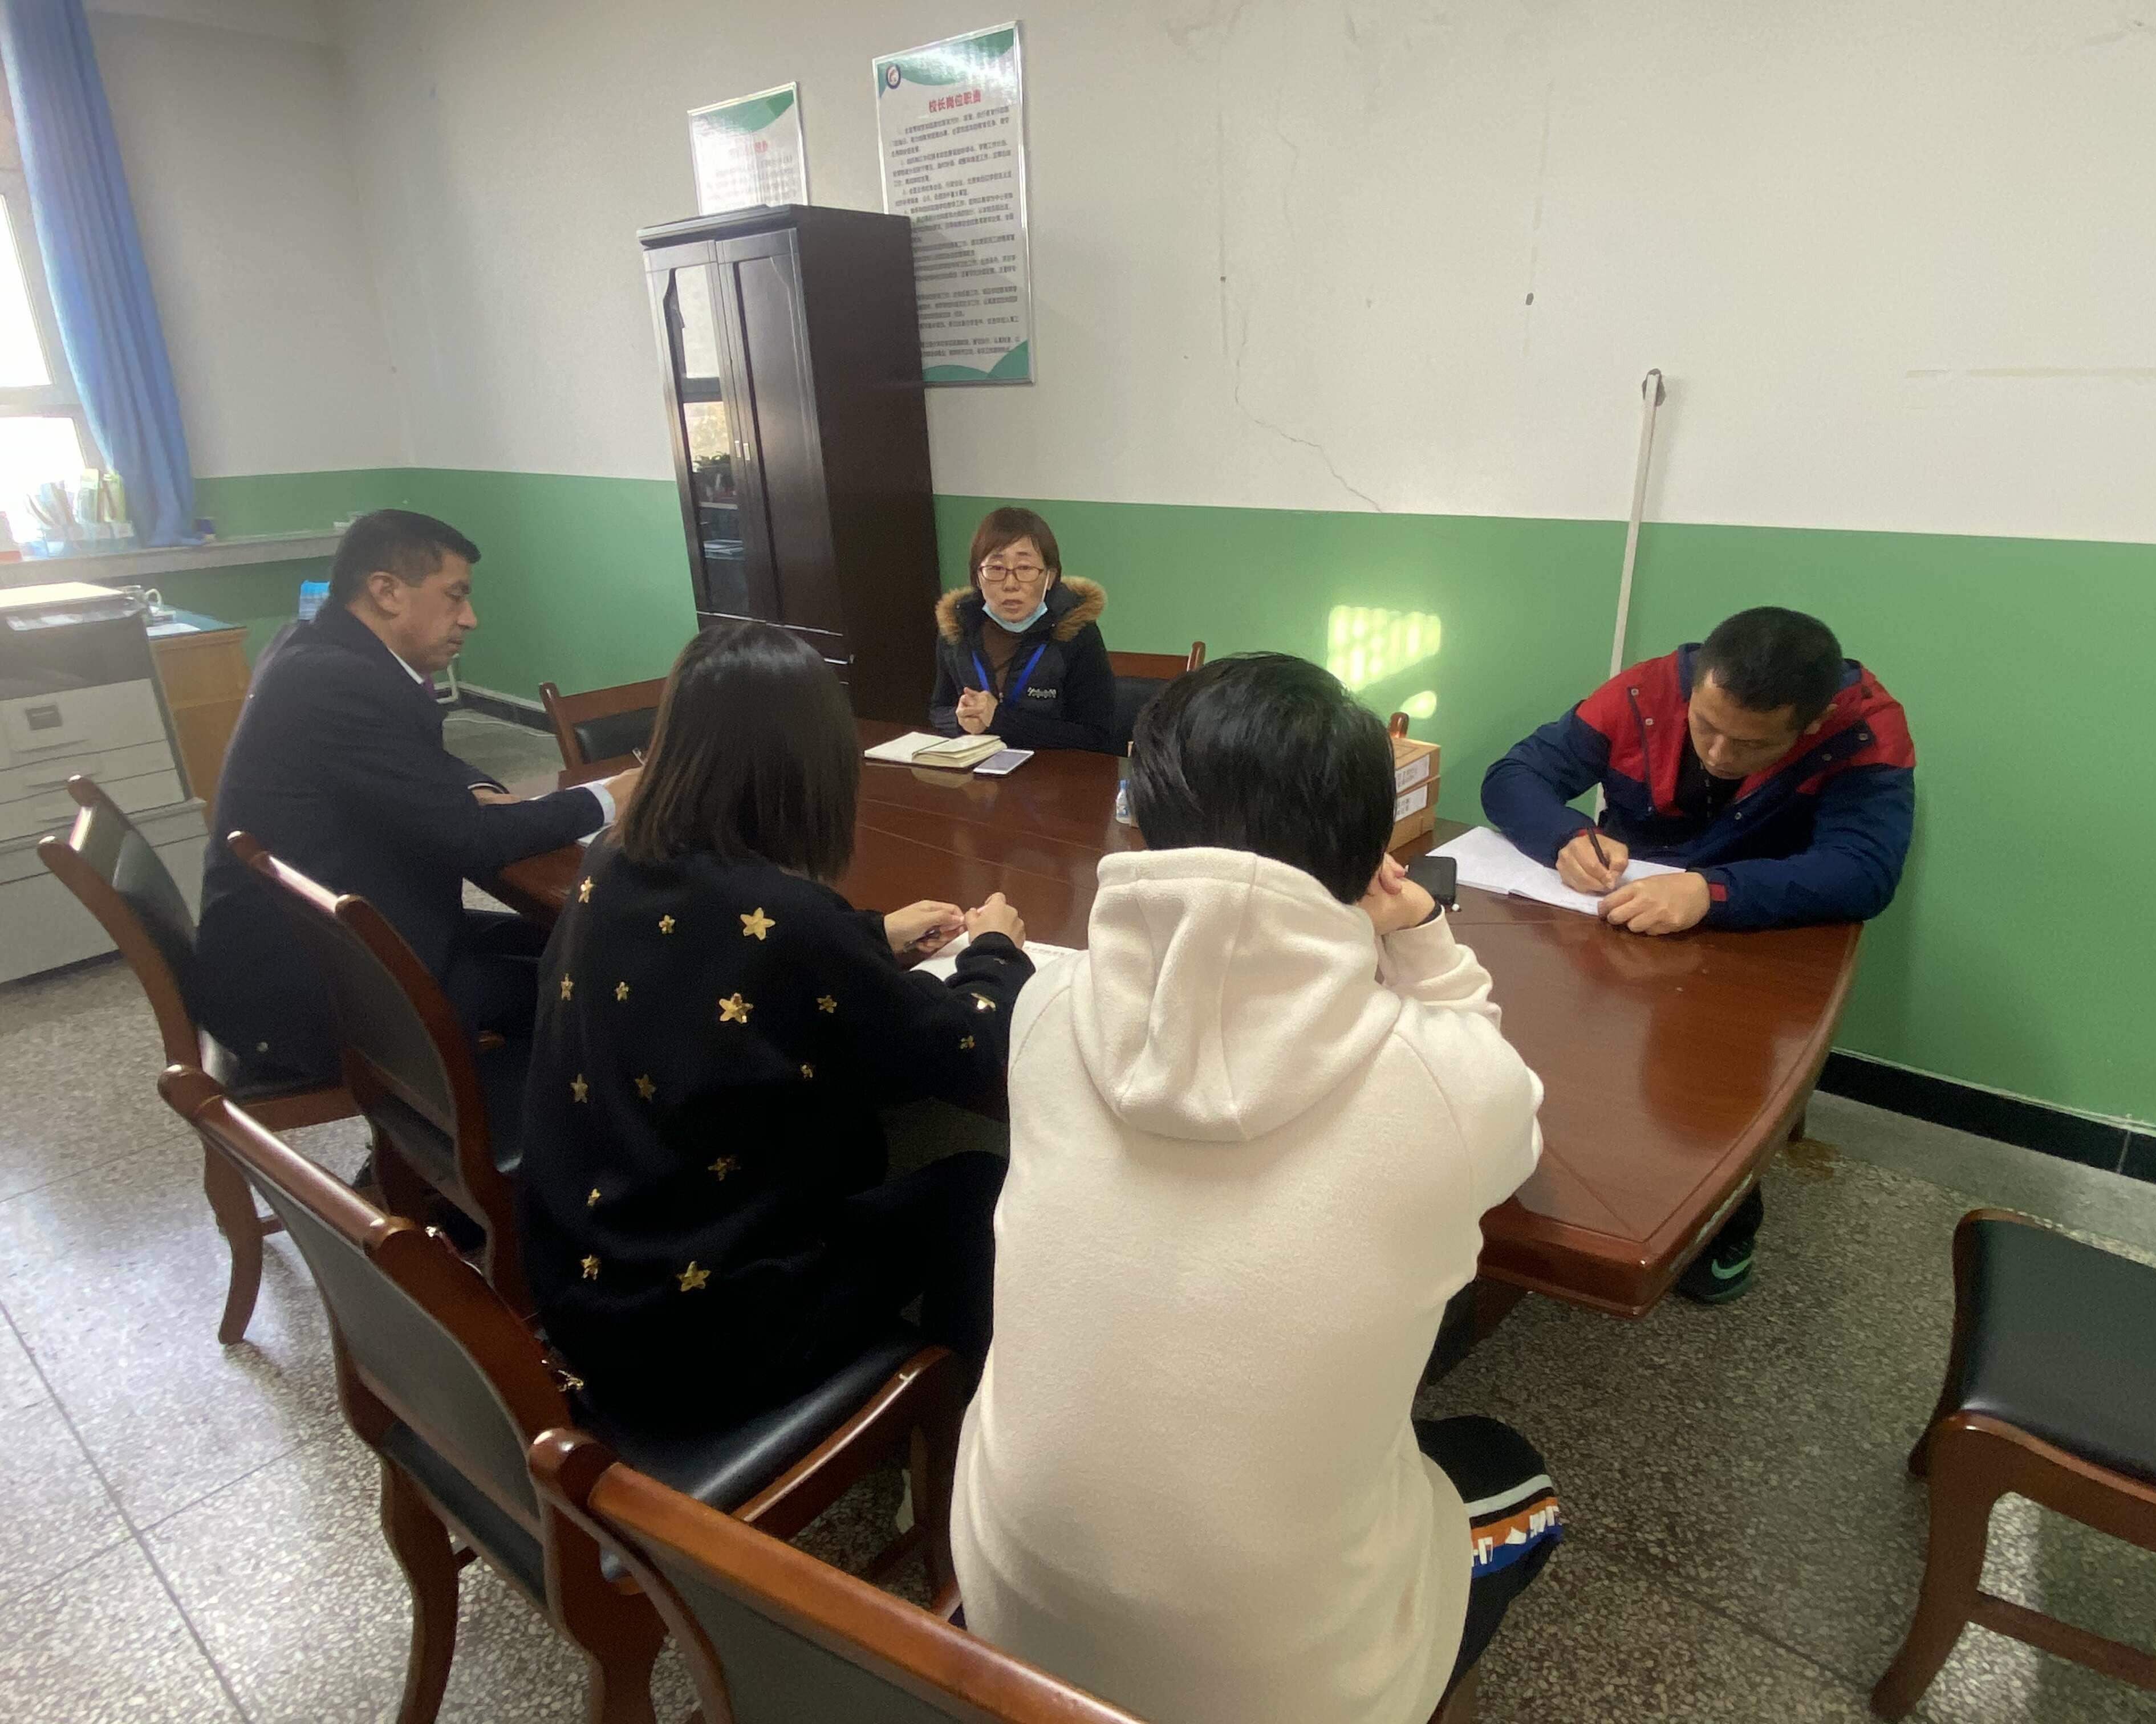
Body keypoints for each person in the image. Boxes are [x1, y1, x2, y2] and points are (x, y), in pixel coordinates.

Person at [952, 653, 1558, 1724]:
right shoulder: (1443, 1084)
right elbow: (1507, 1116)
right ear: (1372, 854)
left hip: (1011, 1611)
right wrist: (1421, 933)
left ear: (1139, 825)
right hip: (1286, 1692)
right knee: (1515, 1470)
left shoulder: (1042, 1010)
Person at [518, 621, 1034, 1425]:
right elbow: (965, 1046)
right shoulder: (788, 918)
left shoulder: (611, 860)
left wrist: (869, 936)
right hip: (707, 1334)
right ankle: (958, 1428)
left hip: (584, 1286)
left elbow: (711, 963)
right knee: (975, 1177)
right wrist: (996, 952)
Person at [1481, 605, 1915, 1302]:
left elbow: (1865, 870)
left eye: (1750, 745)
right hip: (1626, 908)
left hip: (1762, 927)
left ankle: (1729, 1218)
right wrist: (1566, 837)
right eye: (1706, 725)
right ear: (1695, 687)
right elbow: (1513, 778)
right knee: (1571, 1050)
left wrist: (1712, 892)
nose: (1717, 754)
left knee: (1711, 1094)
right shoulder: (1645, 690)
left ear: (1810, 725)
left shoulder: (1863, 727)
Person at [193, 510, 638, 1082]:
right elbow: (472, 842)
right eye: (456, 595)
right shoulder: (344, 681)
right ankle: (532, 1126)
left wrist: (476, 787)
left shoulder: (312, 647)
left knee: (575, 938)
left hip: (334, 936)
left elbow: (403, 758)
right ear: (386, 591)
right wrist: (610, 797)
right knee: (607, 986)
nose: (470, 618)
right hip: (321, 990)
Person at [928, 506, 1117, 752]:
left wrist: (999, 720)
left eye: (1025, 568)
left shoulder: (1076, 631)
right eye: (996, 569)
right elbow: (939, 710)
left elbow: (1097, 736)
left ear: (1049, 577)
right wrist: (960, 720)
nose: (1011, 584)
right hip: (978, 770)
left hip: (1054, 772)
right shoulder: (958, 628)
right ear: (977, 578)